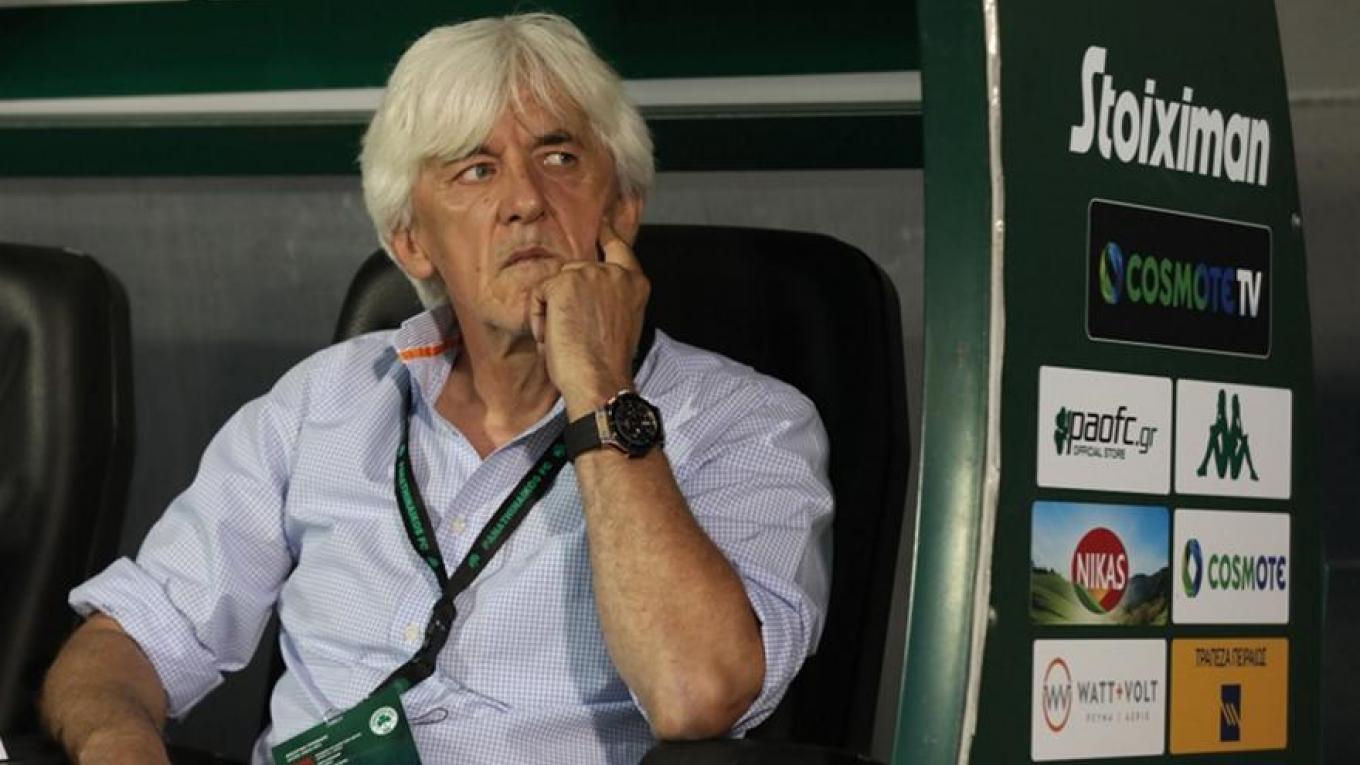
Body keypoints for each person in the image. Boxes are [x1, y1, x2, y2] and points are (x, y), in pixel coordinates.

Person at [40, 13, 833, 765]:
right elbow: (126, 641)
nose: (525, 200)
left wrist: (599, 385)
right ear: (412, 241)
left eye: (560, 158)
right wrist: (118, 745)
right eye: (476, 170)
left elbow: (697, 692)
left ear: (622, 207)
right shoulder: (322, 404)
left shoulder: (746, 422)